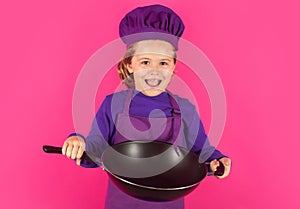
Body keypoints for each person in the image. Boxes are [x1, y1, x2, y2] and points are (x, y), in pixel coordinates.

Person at [61, 4, 231, 209]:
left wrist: (217, 162)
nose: (154, 72)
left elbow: (202, 151)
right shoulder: (113, 105)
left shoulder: (185, 110)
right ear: (130, 64)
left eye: (163, 63)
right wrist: (79, 143)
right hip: (121, 204)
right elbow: (95, 149)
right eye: (145, 62)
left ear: (174, 66)